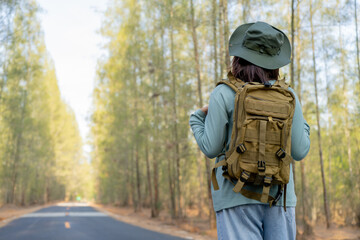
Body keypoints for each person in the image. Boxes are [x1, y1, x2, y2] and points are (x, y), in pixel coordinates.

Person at [189, 22, 310, 240]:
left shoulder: (223, 93)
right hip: (280, 198)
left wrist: (196, 118)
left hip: (235, 196)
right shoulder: (288, 95)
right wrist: (303, 124)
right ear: (276, 59)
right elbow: (300, 151)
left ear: (239, 55)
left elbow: (211, 147)